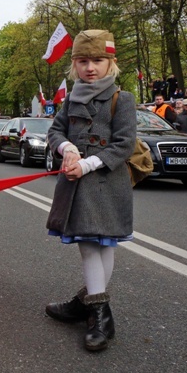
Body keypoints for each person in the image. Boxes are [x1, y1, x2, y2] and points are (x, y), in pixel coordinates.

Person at [45, 30, 137, 352]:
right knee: (89, 244)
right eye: (83, 61)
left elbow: (124, 145)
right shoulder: (70, 98)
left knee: (102, 245)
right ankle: (91, 309)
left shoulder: (121, 99)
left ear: (111, 62)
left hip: (106, 183)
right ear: (74, 65)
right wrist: (68, 148)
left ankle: (96, 312)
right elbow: (55, 131)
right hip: (75, 187)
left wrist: (87, 164)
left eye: (98, 60)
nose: (90, 68)